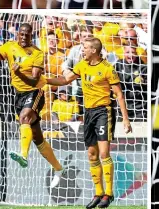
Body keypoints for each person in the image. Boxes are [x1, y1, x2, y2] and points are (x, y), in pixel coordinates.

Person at [45, 37, 132, 208]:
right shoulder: (82, 65)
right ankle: (98, 193)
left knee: (104, 153)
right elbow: (64, 80)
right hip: (88, 113)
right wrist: (44, 80)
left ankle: (109, 194)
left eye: (84, 48)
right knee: (91, 154)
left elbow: (119, 95)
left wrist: (126, 120)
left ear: (93, 50)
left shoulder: (107, 69)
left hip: (103, 112)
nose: (82, 50)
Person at [0, 23, 64, 188]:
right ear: (18, 34)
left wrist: (18, 73)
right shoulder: (9, 47)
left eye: (27, 35)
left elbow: (34, 80)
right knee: (37, 138)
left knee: (25, 117)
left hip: (35, 92)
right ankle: (58, 168)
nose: (23, 38)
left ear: (32, 36)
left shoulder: (37, 53)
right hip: (18, 95)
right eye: (21, 34)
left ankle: (23, 155)